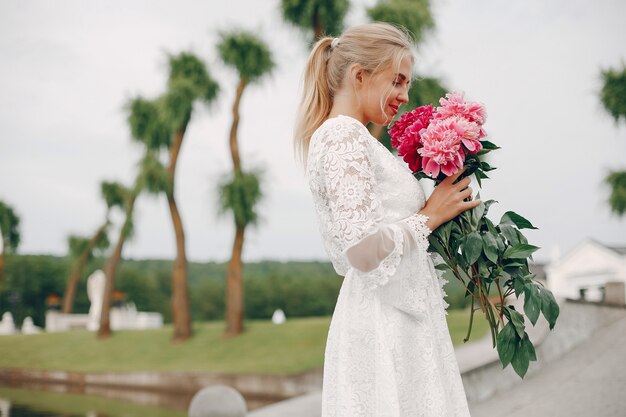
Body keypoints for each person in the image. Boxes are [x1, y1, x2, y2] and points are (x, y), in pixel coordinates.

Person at [293, 22, 481, 416]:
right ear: (359, 75)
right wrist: (428, 217)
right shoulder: (343, 136)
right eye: (397, 81)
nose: (404, 95)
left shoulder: (359, 138)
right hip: (383, 325)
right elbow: (361, 250)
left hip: (402, 316)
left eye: (407, 84)